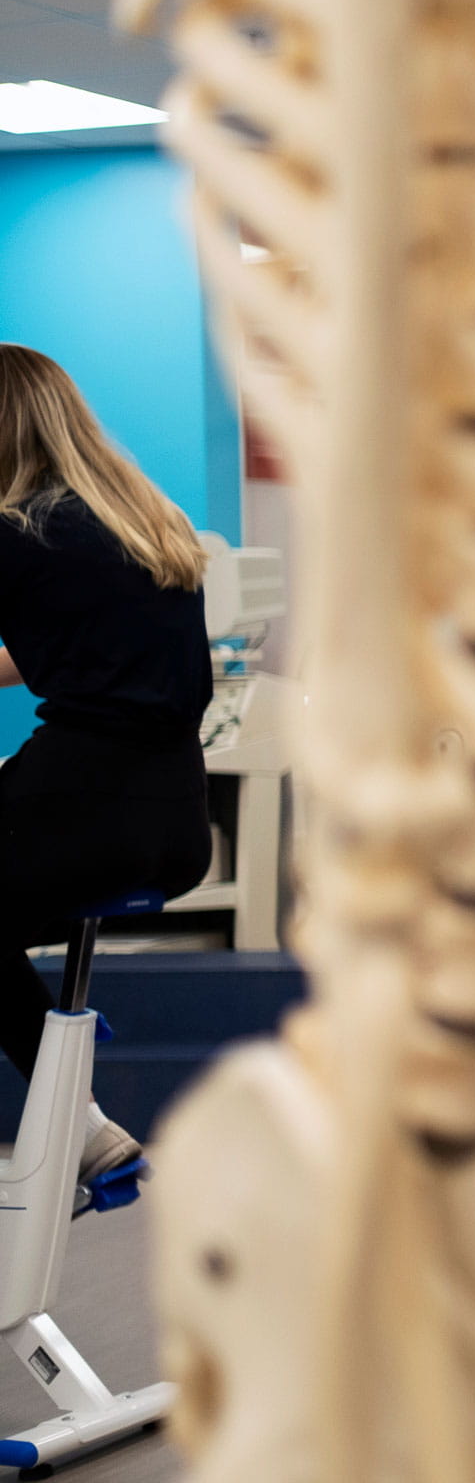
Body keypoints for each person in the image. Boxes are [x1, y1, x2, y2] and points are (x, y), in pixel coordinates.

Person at [0, 345, 213, 1183]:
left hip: (84, 812)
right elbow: (72, 644)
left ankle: (79, 1123)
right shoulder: (144, 522)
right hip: (171, 822)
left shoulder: (14, 534)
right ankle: (76, 1116)